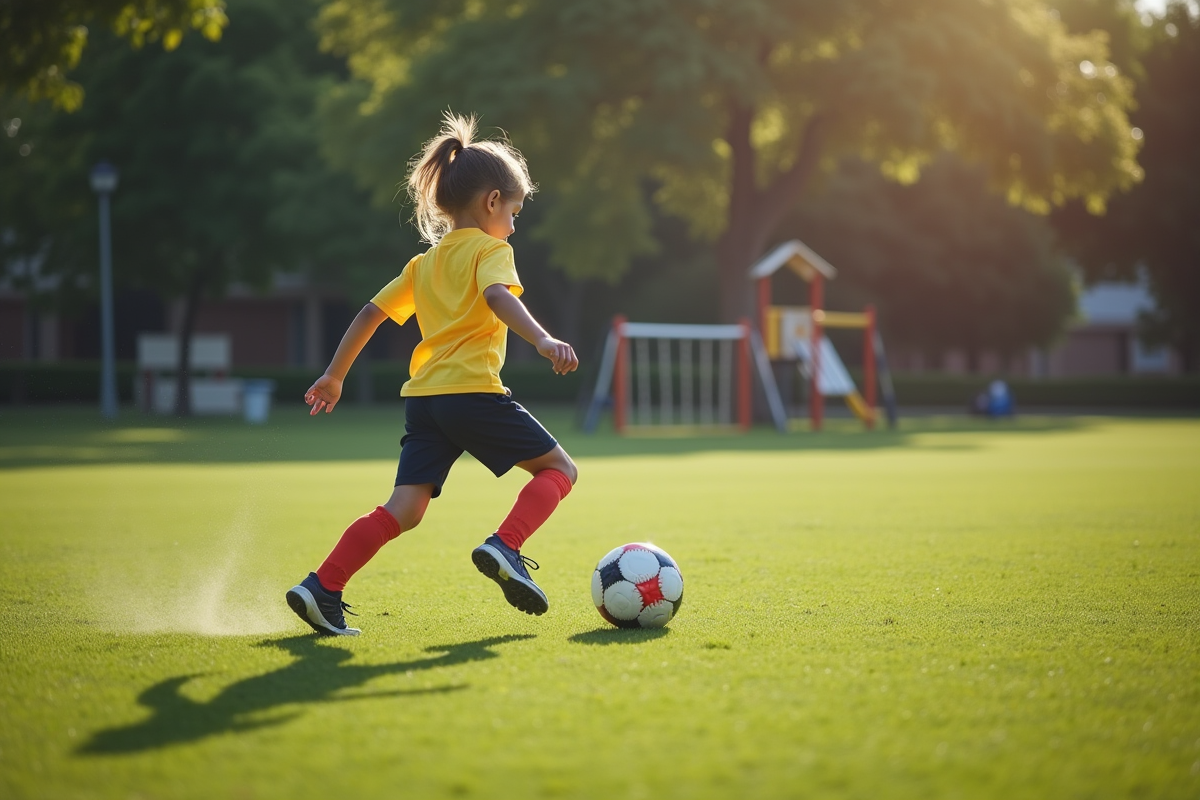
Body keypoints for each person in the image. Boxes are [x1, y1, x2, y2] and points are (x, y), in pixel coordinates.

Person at [286, 113, 579, 636]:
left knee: (405, 508)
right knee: (560, 470)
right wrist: (542, 339)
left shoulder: (424, 263)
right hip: (472, 395)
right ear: (491, 202)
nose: (514, 224)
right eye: (513, 211)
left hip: (424, 402)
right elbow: (495, 297)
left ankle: (323, 586)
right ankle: (506, 546)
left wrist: (335, 376)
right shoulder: (493, 251)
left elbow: (370, 313)